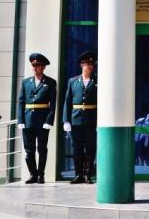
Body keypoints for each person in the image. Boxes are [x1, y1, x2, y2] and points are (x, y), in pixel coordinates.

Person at [17, 53, 57, 184]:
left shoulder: (50, 82)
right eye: (33, 65)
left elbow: (53, 104)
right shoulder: (26, 82)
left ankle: (41, 175)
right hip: (28, 120)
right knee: (29, 150)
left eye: (37, 65)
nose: (34, 67)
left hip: (42, 121)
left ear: (43, 67)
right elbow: (21, 102)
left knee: (42, 149)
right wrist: (20, 120)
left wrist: (49, 121)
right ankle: (32, 174)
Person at [63, 51, 97, 185]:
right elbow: (67, 101)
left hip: (91, 119)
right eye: (88, 64)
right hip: (76, 119)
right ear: (81, 65)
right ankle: (78, 174)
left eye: (92, 64)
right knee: (77, 148)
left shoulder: (96, 81)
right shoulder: (72, 81)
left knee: (90, 147)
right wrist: (66, 120)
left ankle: (88, 174)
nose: (90, 67)